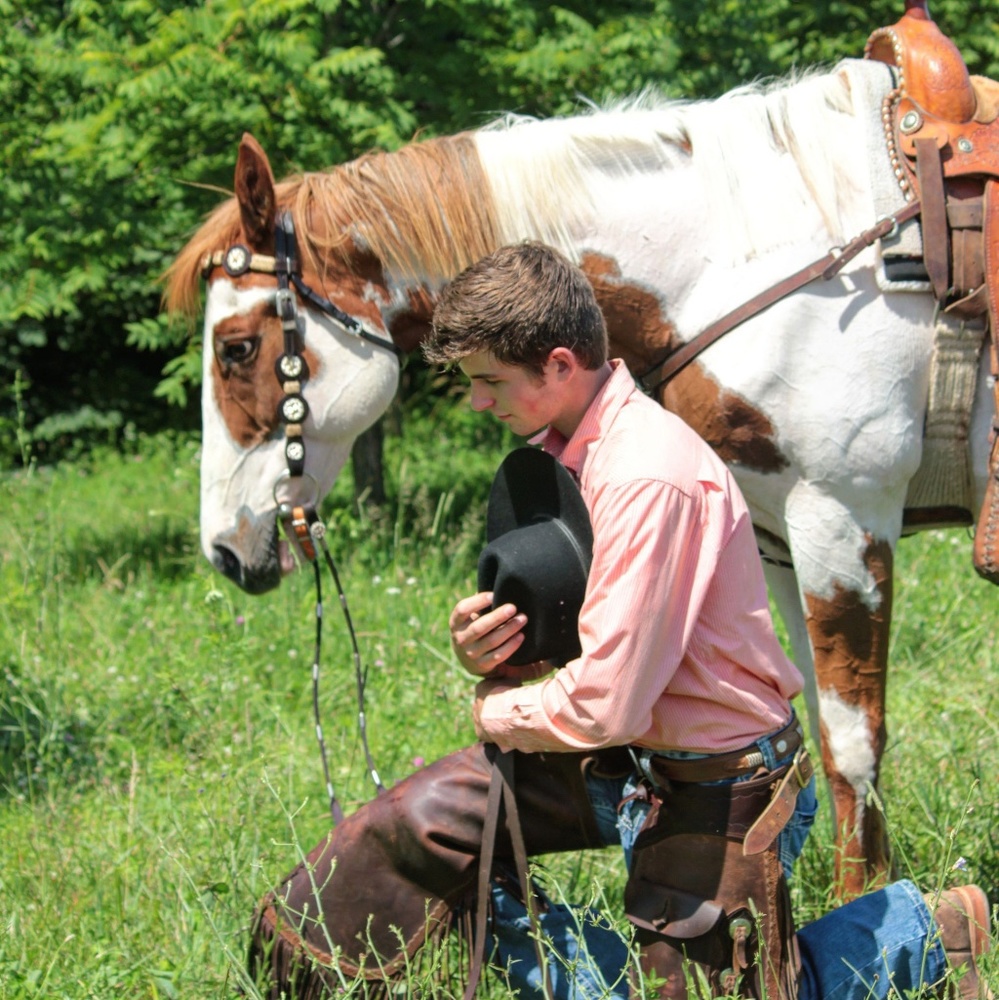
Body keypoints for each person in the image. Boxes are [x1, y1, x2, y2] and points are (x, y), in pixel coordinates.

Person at [247, 241, 992, 1000]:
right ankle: (472, 940)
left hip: (722, 779)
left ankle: (927, 930)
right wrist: (491, 650)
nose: (477, 402)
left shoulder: (644, 475)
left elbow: (606, 702)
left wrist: (490, 708)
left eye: (489, 381)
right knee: (423, 828)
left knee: (712, 994)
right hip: (621, 760)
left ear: (559, 365)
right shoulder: (566, 451)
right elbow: (579, 642)